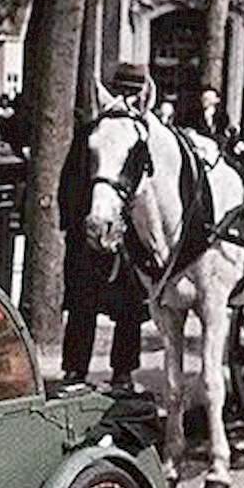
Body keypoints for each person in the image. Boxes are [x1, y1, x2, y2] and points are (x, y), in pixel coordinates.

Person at [59, 61, 149, 389]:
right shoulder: (92, 132)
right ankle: (75, 369)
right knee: (84, 303)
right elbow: (71, 181)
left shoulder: (144, 133)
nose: (127, 97)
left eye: (132, 90)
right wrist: (76, 224)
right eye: (124, 89)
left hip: (128, 233)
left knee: (129, 307)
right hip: (91, 227)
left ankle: (122, 372)